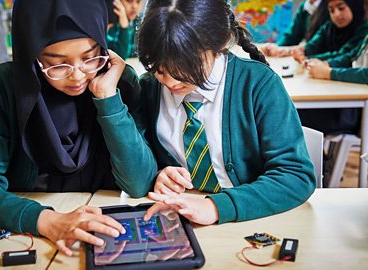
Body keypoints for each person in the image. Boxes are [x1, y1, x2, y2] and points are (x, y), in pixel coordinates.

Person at [0, 0, 157, 256]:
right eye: (57, 64)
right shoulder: (3, 85)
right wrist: (47, 221)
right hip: (32, 235)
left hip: (104, 231)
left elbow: (139, 183)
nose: (77, 76)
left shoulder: (119, 81)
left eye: (90, 57)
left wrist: (107, 100)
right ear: (31, 54)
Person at [130, 0, 316, 225]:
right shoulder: (150, 88)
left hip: (252, 221)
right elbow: (139, 172)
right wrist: (158, 175)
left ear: (220, 44)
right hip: (182, 222)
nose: (169, 81)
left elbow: (296, 176)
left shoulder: (259, 84)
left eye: (184, 66)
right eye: (158, 68)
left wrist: (216, 206)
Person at [301, 0, 368, 138]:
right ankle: (320, 158)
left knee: (297, 113)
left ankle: (317, 158)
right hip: (358, 106)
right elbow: (352, 56)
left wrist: (329, 73)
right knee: (300, 110)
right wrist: (325, 64)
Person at [291, 0, 368, 63]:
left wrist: (310, 59)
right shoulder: (328, 27)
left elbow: (345, 55)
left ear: (354, 6)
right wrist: (301, 52)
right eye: (332, 10)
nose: (336, 14)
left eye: (341, 8)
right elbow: (312, 46)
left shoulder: (367, 29)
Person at [261, 0, 330, 57]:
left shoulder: (330, 7)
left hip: (322, 56)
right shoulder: (305, 6)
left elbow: (317, 44)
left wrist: (288, 51)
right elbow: (292, 36)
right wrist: (276, 48)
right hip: (309, 54)